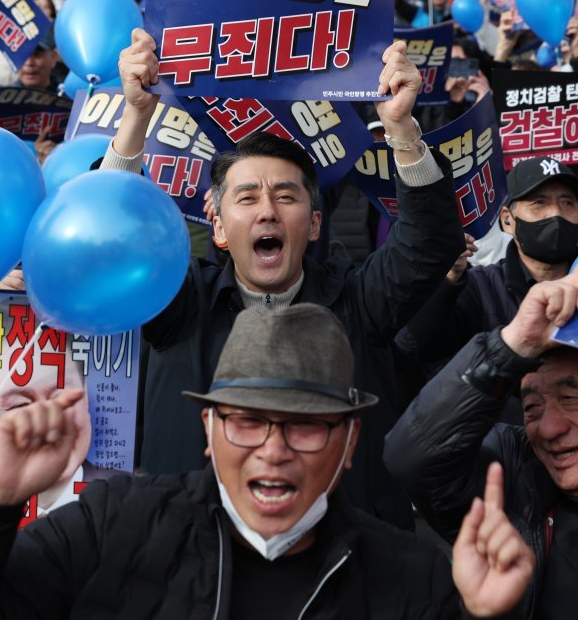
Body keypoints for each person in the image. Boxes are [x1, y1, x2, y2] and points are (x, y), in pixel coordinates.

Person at [0, 304, 534, 618]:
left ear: (349, 444)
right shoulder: (113, 525)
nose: (274, 449)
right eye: (249, 421)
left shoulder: (417, 578)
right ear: (208, 428)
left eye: (306, 428)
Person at [101, 30, 464, 527]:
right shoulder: (180, 306)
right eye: (247, 198)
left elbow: (429, 241)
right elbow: (110, 243)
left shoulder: (359, 302)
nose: (267, 210)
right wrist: (136, 116)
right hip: (197, 561)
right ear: (221, 229)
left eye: (287, 197)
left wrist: (400, 129)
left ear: (314, 224)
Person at [384, 263, 578, 620]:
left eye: (570, 398)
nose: (548, 429)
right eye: (531, 407)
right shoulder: (511, 479)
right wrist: (514, 344)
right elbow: (411, 455)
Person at [395, 156, 578, 372]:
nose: (555, 213)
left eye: (567, 203)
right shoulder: (479, 287)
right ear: (507, 220)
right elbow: (416, 347)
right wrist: (448, 280)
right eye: (539, 203)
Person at [0, 328, 114, 513]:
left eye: (60, 398)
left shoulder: (127, 501)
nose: (48, 421)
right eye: (19, 406)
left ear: (85, 395)